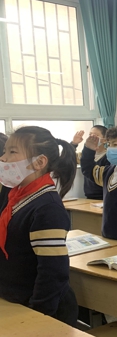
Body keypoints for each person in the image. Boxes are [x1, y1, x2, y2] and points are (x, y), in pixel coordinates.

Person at [0, 126, 78, 326]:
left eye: (12, 152)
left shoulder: (47, 207)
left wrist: (38, 316)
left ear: (39, 162)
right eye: (5, 151)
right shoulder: (16, 197)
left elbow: (53, 271)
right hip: (14, 300)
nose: (3, 158)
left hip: (40, 310)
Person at [71, 125, 108, 200]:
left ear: (104, 140)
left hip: (103, 197)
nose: (92, 137)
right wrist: (74, 143)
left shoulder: (109, 156)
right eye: (90, 135)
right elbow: (68, 158)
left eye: (96, 135)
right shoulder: (85, 155)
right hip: (89, 197)